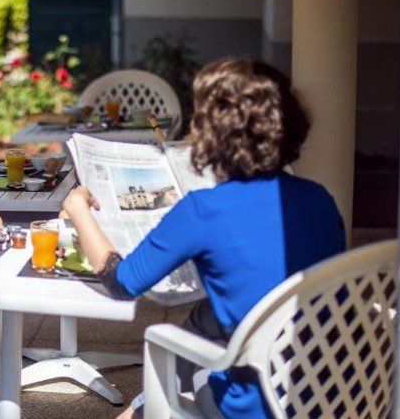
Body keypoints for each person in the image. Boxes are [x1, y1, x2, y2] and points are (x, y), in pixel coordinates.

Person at [63, 58, 346, 419]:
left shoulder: (203, 210)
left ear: (212, 134)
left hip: (257, 406)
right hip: (335, 390)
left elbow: (121, 282)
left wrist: (79, 210)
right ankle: (138, 411)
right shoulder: (320, 199)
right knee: (207, 314)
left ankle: (143, 410)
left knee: (174, 350)